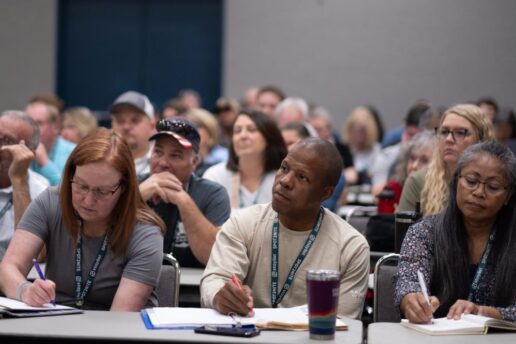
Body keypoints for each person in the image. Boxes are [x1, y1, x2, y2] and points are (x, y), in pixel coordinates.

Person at [200, 138, 370, 319]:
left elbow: (343, 324)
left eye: (302, 177)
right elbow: (214, 280)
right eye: (284, 168)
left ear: (325, 193)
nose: (285, 181)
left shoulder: (351, 247)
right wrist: (221, 296)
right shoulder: (243, 223)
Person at [0, 128, 165, 311]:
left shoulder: (145, 233)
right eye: (81, 186)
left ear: (124, 188)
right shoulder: (51, 202)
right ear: (71, 175)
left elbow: (119, 319)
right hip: (54, 323)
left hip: (111, 332)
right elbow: (8, 268)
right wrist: (24, 291)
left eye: (102, 191)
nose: (88, 200)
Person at [395, 141, 516, 323]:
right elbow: (408, 281)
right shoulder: (424, 232)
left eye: (493, 187)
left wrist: (483, 313)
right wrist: (412, 301)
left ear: (508, 195)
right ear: (456, 181)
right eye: (471, 181)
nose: (479, 192)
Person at [139, 118, 230, 267]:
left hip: (192, 287)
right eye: (158, 152)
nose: (162, 163)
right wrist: (137, 197)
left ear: (194, 162)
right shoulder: (133, 185)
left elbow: (214, 257)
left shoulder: (213, 194)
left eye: (175, 155)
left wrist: (183, 200)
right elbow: (104, 241)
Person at [398, 104, 495, 214]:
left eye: (460, 132)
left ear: (481, 139)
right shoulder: (417, 181)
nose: (449, 139)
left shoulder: (498, 182)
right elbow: (404, 231)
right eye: (444, 132)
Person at [204, 110, 287, 210]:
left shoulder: (283, 179)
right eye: (237, 131)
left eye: (251, 130)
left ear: (268, 137)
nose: (242, 136)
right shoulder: (215, 176)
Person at [0, 111, 49, 260]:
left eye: (7, 141)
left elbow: (36, 256)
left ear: (29, 154)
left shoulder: (41, 190)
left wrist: (19, 180)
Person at [280, 122, 345, 212]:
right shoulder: (272, 169)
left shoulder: (329, 172)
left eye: (290, 143)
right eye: (284, 169)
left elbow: (322, 208)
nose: (284, 148)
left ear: (307, 143)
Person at [26, 101, 76, 186]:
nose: (31, 128)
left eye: (39, 123)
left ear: (56, 127)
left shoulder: (73, 152)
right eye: (28, 123)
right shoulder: (20, 149)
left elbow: (70, 191)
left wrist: (45, 163)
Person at [110, 90, 156, 182]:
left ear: (152, 126)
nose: (126, 127)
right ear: (112, 126)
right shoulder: (99, 161)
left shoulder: (163, 164)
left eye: (135, 120)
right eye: (120, 121)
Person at [341, 106, 381, 185]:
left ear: (370, 131)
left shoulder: (378, 151)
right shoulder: (343, 152)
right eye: (356, 131)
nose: (359, 136)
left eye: (363, 131)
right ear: (349, 130)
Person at [185, 108, 229, 176]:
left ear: (209, 131)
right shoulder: (183, 159)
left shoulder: (223, 156)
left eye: (197, 126)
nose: (191, 132)